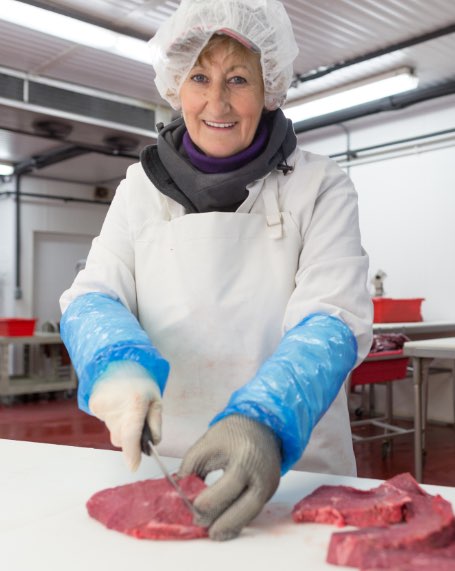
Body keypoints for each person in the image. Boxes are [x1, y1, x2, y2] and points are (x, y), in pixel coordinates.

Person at [60, 0, 373, 541]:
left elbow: (333, 318)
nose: (217, 101)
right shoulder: (138, 188)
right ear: (176, 86)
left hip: (294, 466)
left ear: (269, 86)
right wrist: (115, 361)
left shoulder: (319, 185)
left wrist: (265, 421)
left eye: (238, 79)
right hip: (175, 467)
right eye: (199, 77)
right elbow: (94, 294)